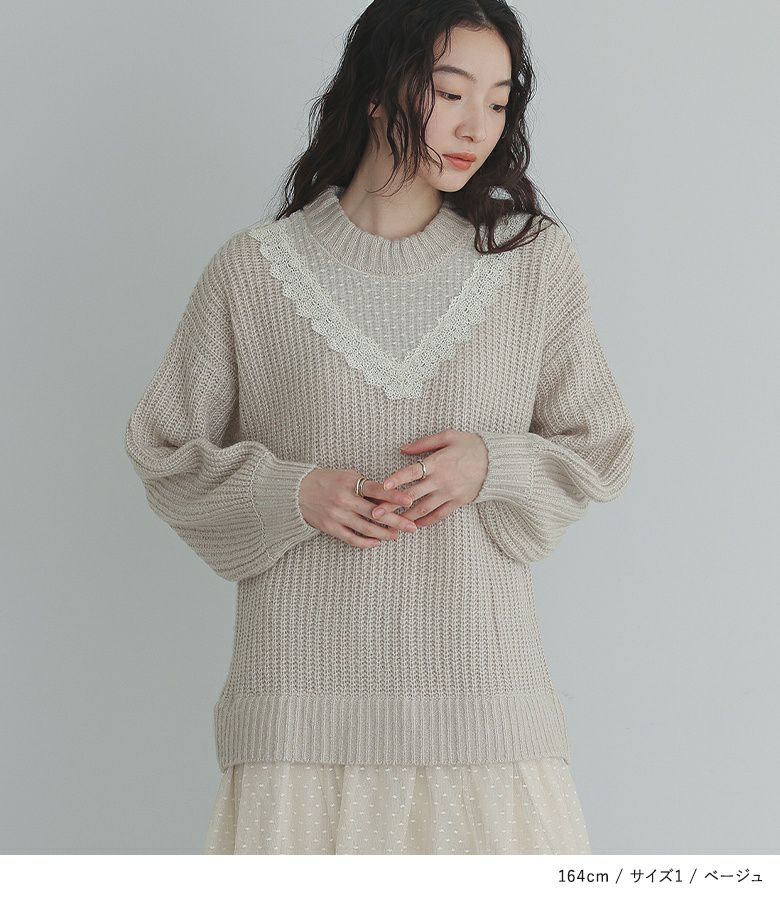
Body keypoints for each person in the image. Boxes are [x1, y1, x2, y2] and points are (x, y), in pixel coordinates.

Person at [124, 0, 634, 854]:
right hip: (298, 723)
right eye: (450, 92)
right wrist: (290, 493)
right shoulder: (252, 273)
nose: (477, 127)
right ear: (377, 91)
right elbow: (162, 448)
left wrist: (490, 465)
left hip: (483, 713)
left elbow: (601, 444)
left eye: (499, 101)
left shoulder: (531, 264)